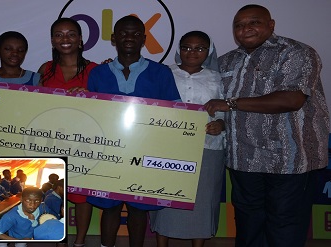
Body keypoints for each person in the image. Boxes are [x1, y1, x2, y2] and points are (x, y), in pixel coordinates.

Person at [204, 4, 329, 247]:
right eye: (239, 25)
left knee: (285, 227)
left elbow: (291, 99)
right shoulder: (226, 61)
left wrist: (230, 103)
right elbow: (207, 97)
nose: (245, 29)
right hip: (243, 160)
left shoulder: (296, 53)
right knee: (248, 225)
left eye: (254, 22)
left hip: (290, 160)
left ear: (271, 24)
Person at [86, 15, 180, 247]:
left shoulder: (161, 73)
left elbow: (176, 113)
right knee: (110, 208)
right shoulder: (98, 73)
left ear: (144, 39)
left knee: (139, 208)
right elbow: (89, 115)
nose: (129, 38)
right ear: (113, 38)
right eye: (124, 33)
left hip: (146, 150)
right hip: (107, 153)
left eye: (136, 34)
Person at [149, 31, 225, 247]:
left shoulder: (218, 78)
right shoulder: (163, 73)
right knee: (165, 198)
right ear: (178, 49)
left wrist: (220, 124)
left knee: (201, 200)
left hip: (207, 147)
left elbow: (226, 111)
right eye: (187, 47)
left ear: (208, 52)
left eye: (200, 48)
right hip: (166, 147)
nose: (192, 52)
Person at [38, 17, 98, 247]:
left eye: (71, 34)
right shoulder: (45, 69)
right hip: (50, 139)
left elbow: (106, 107)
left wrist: (89, 94)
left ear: (81, 39)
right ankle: (59, 239)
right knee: (58, 194)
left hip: (85, 141)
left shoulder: (95, 70)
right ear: (52, 40)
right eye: (59, 34)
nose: (65, 39)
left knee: (82, 196)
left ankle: (79, 242)